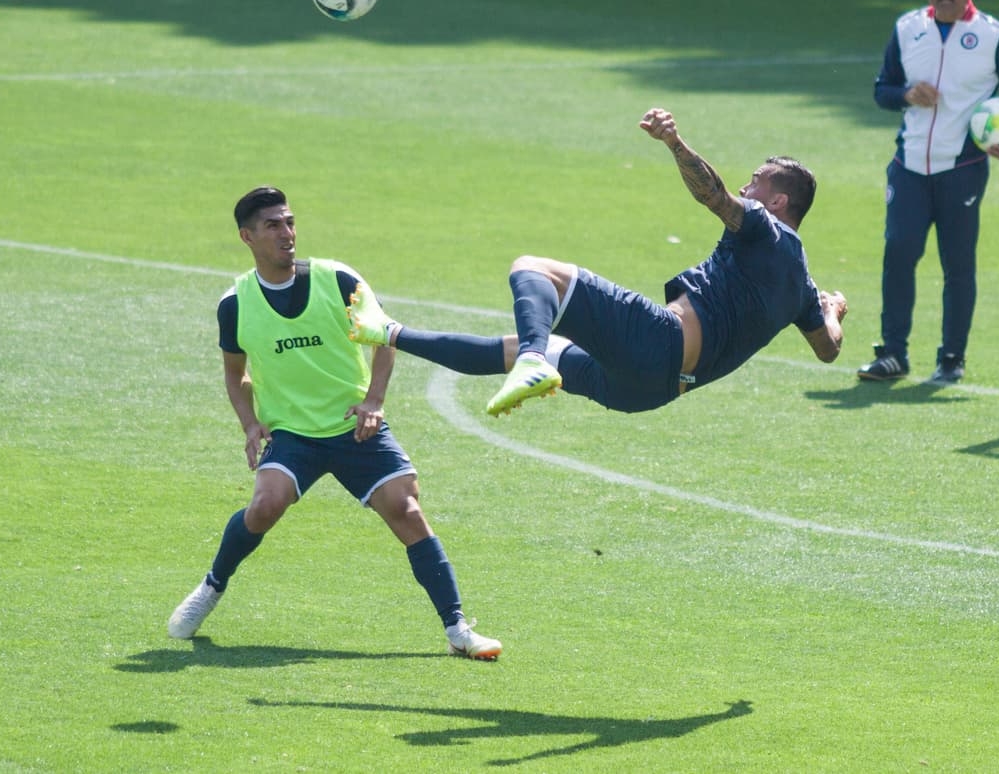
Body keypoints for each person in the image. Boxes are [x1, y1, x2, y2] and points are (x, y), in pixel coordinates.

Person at [167, 186, 502, 660]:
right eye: (272, 226)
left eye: (289, 222)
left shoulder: (339, 280)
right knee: (264, 506)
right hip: (292, 433)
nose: (287, 233)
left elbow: (385, 338)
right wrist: (249, 424)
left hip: (355, 428)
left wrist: (374, 400)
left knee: (406, 509)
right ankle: (212, 586)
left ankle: (457, 629)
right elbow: (235, 371)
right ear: (247, 237)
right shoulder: (235, 304)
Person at [346, 108, 847, 416]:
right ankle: (388, 331)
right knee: (517, 345)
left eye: (756, 181)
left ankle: (533, 360)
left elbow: (714, 196)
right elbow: (828, 349)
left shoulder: (762, 225)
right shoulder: (803, 288)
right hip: (650, 391)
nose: (746, 187)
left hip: (658, 343)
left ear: (778, 201)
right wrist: (832, 311)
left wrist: (674, 143)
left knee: (532, 269)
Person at [858, 0, 999, 385]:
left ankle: (952, 358)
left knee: (957, 266)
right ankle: (893, 354)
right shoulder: (907, 28)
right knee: (899, 253)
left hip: (962, 171)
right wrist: (906, 94)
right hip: (908, 167)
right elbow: (883, 90)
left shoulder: (994, 37)